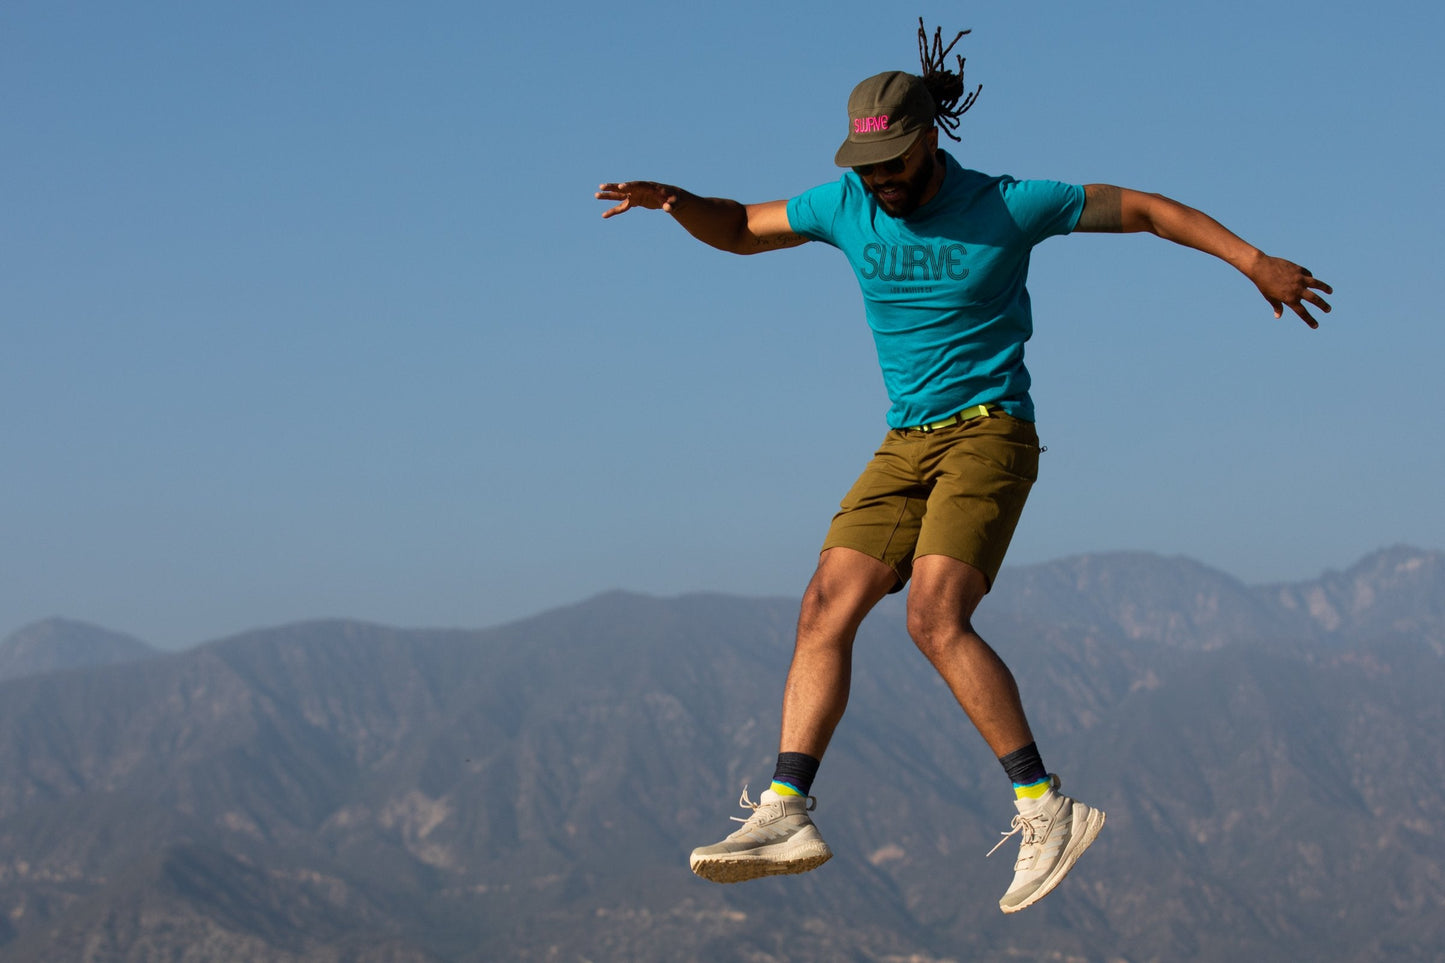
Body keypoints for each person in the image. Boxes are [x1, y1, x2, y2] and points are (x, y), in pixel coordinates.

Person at [595, 22, 1331, 914]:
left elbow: (1141, 208)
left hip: (989, 433)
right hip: (903, 440)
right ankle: (786, 810)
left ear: (927, 142)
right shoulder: (844, 205)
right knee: (823, 604)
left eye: (893, 168)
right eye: (867, 172)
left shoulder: (1009, 203)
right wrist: (677, 200)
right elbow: (746, 228)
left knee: (932, 614)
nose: (881, 186)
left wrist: (1251, 261)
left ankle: (1044, 807)